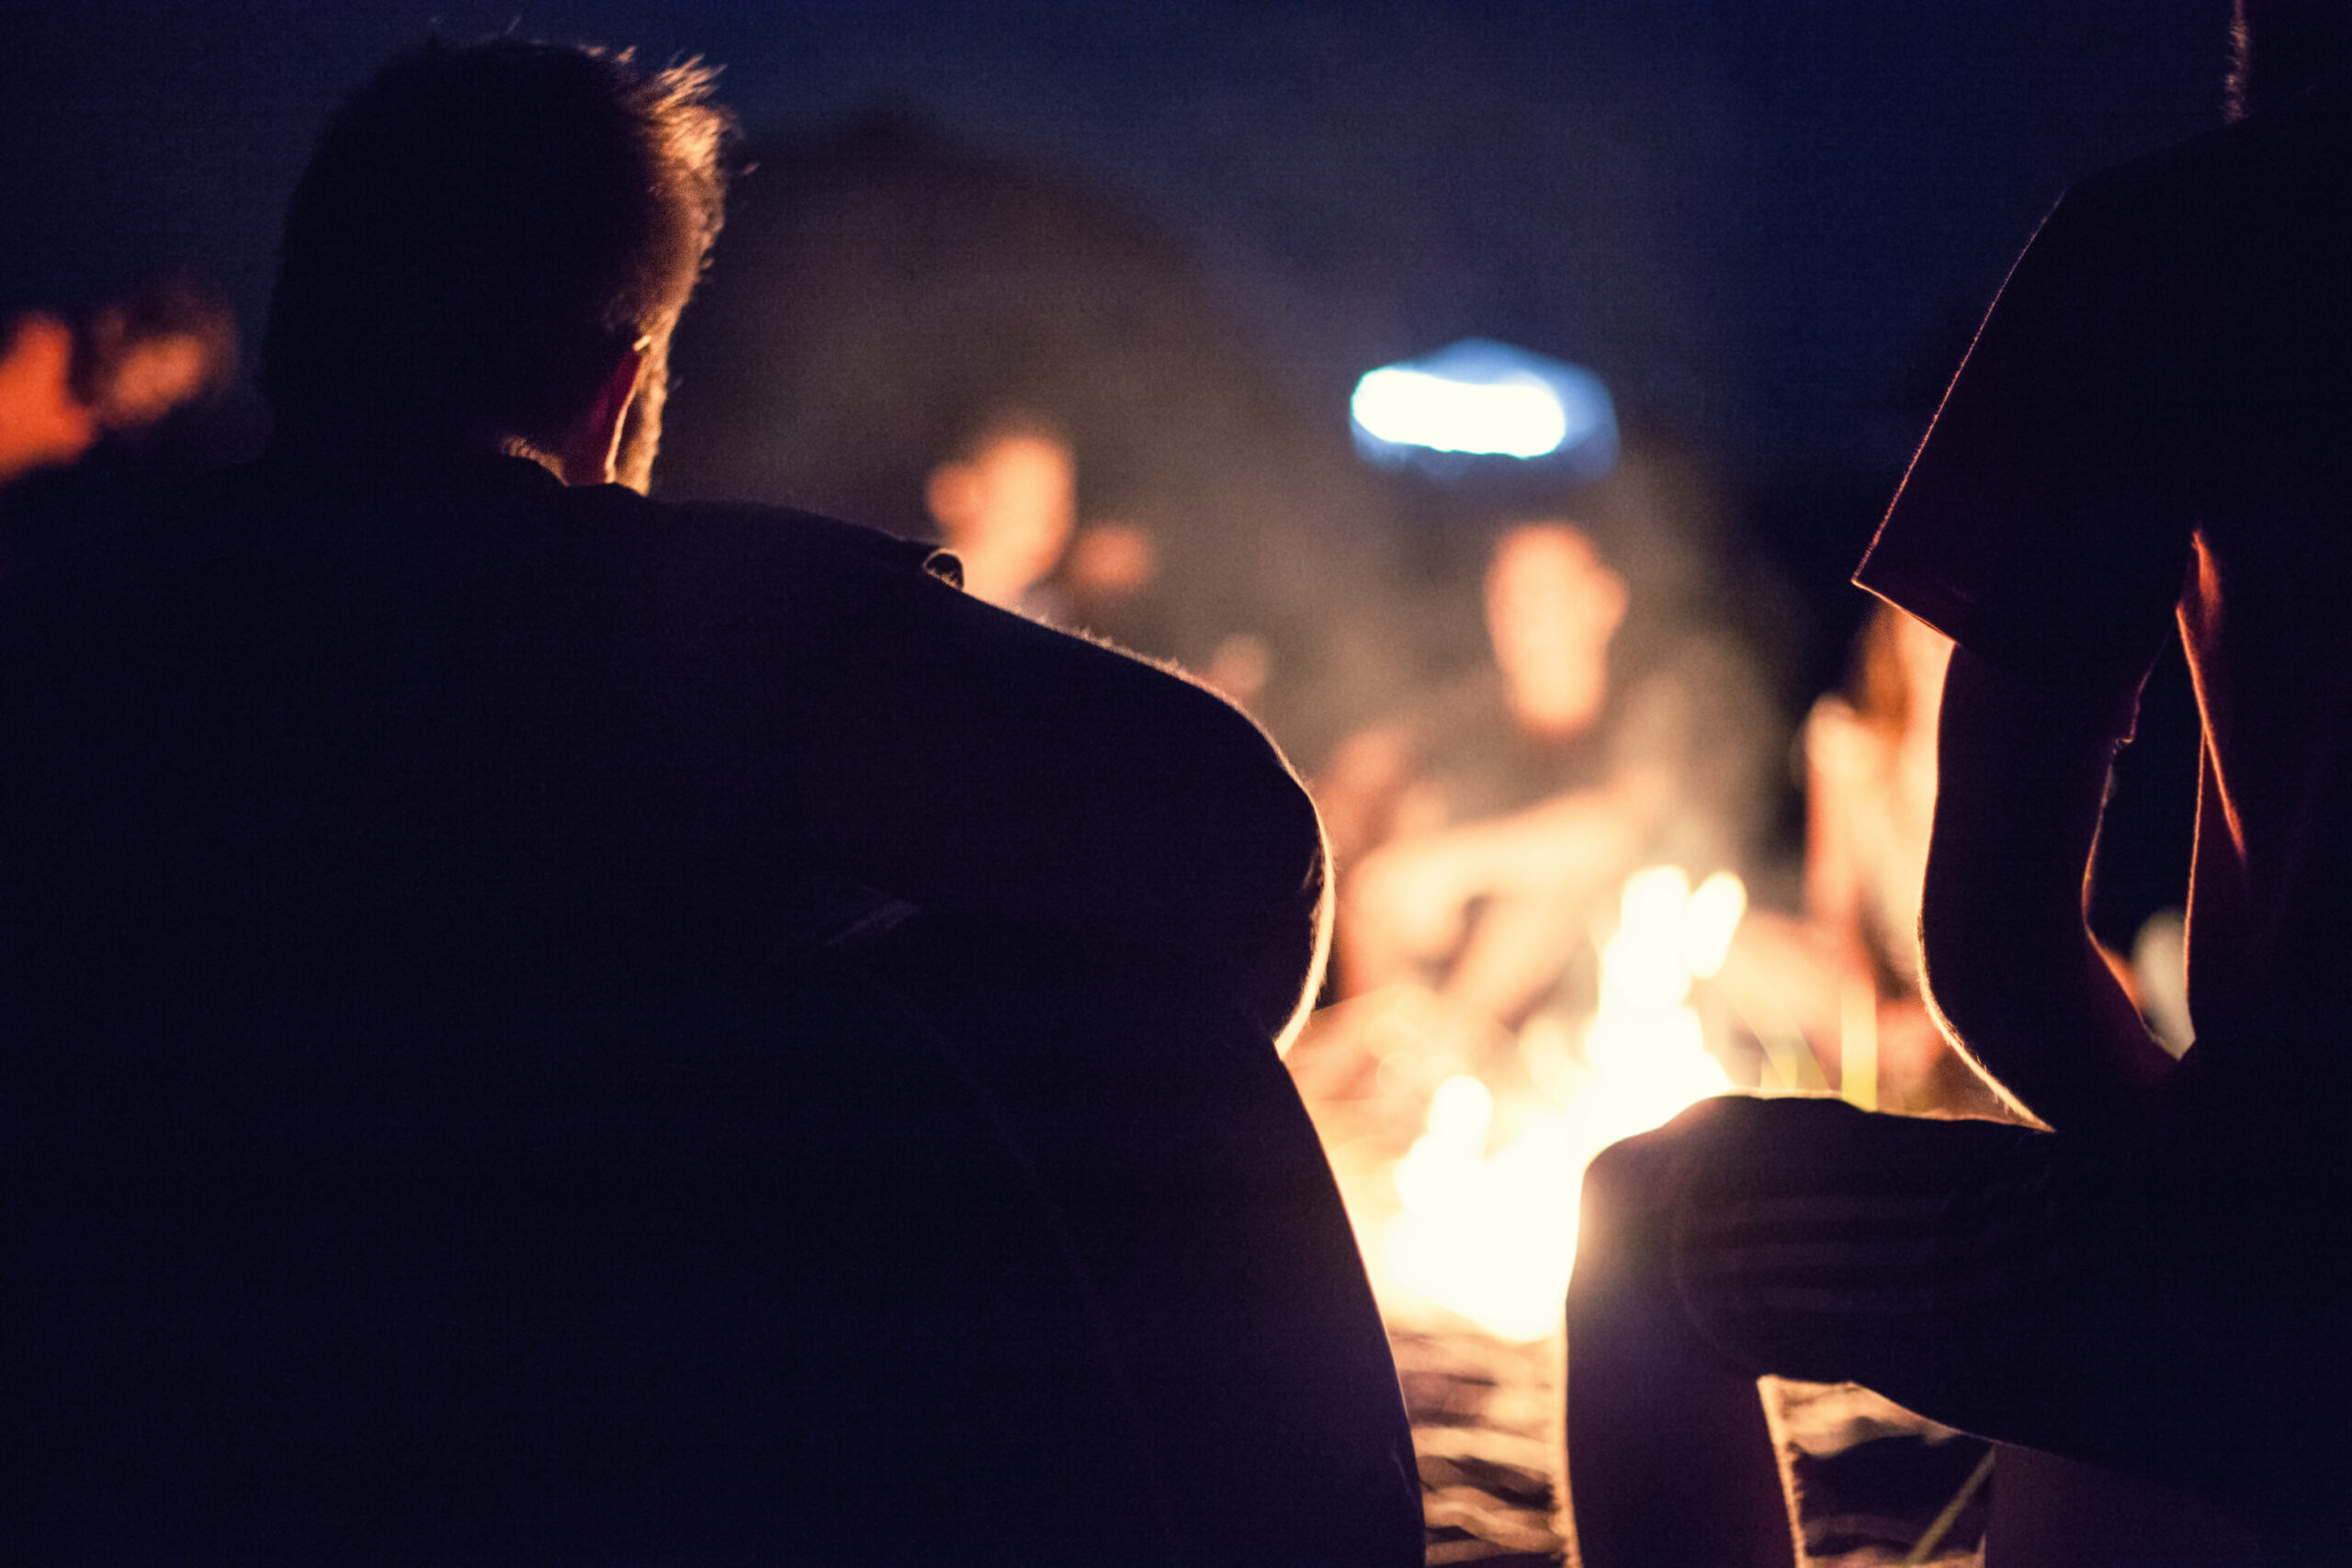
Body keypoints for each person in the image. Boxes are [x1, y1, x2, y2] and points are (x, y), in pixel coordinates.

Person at [0, 39, 1419, 1566]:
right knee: (1153, 1056)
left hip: (122, 1453)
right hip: (588, 1449)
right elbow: (1251, 860)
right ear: (621, 389)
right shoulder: (661, 612)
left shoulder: (72, 615)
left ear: (305, 324)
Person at [1561, 6, 2352, 1562]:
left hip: (2303, 1238)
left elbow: (1992, 954)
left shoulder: (2187, 236)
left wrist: (2198, 1165)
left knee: (1644, 1220)